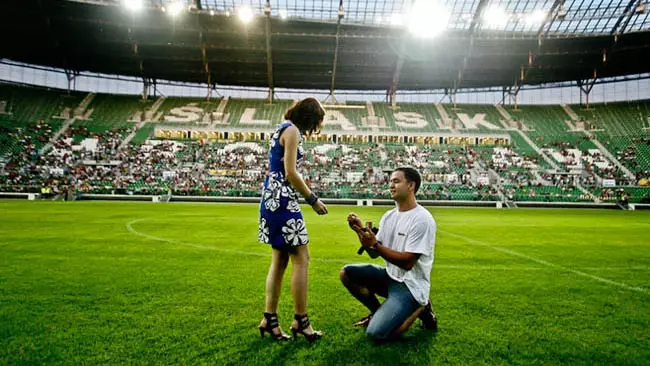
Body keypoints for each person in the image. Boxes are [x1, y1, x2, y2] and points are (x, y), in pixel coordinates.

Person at [258, 98, 328, 342]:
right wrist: (313, 199)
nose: (313, 128)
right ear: (309, 117)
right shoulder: (293, 130)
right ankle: (301, 320)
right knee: (302, 258)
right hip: (283, 197)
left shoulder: (281, 127)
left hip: (271, 196)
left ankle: (270, 319)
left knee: (279, 260)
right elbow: (290, 172)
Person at [340, 167, 438, 342]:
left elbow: (408, 263)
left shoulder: (422, 219)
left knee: (376, 334)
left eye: (396, 181)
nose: (391, 185)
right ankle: (377, 313)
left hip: (410, 285)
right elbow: (374, 254)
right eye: (390, 181)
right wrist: (360, 231)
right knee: (347, 273)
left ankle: (421, 307)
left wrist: (375, 245)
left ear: (411, 185)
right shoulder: (389, 216)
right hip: (390, 276)